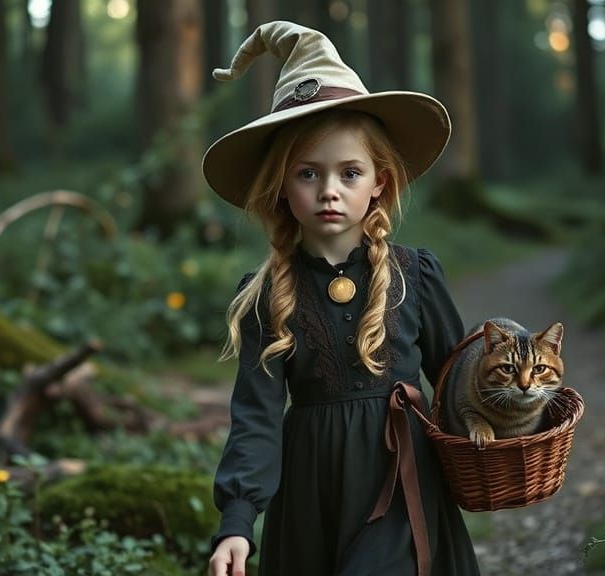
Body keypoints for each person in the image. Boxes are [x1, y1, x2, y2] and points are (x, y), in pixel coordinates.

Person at [204, 21, 480, 576]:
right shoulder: (264, 297)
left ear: (378, 180)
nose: (329, 189)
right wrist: (237, 522)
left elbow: (460, 378)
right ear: (282, 184)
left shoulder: (414, 276)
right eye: (308, 173)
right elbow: (256, 418)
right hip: (311, 500)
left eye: (349, 172)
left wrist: (510, 416)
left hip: (403, 485)